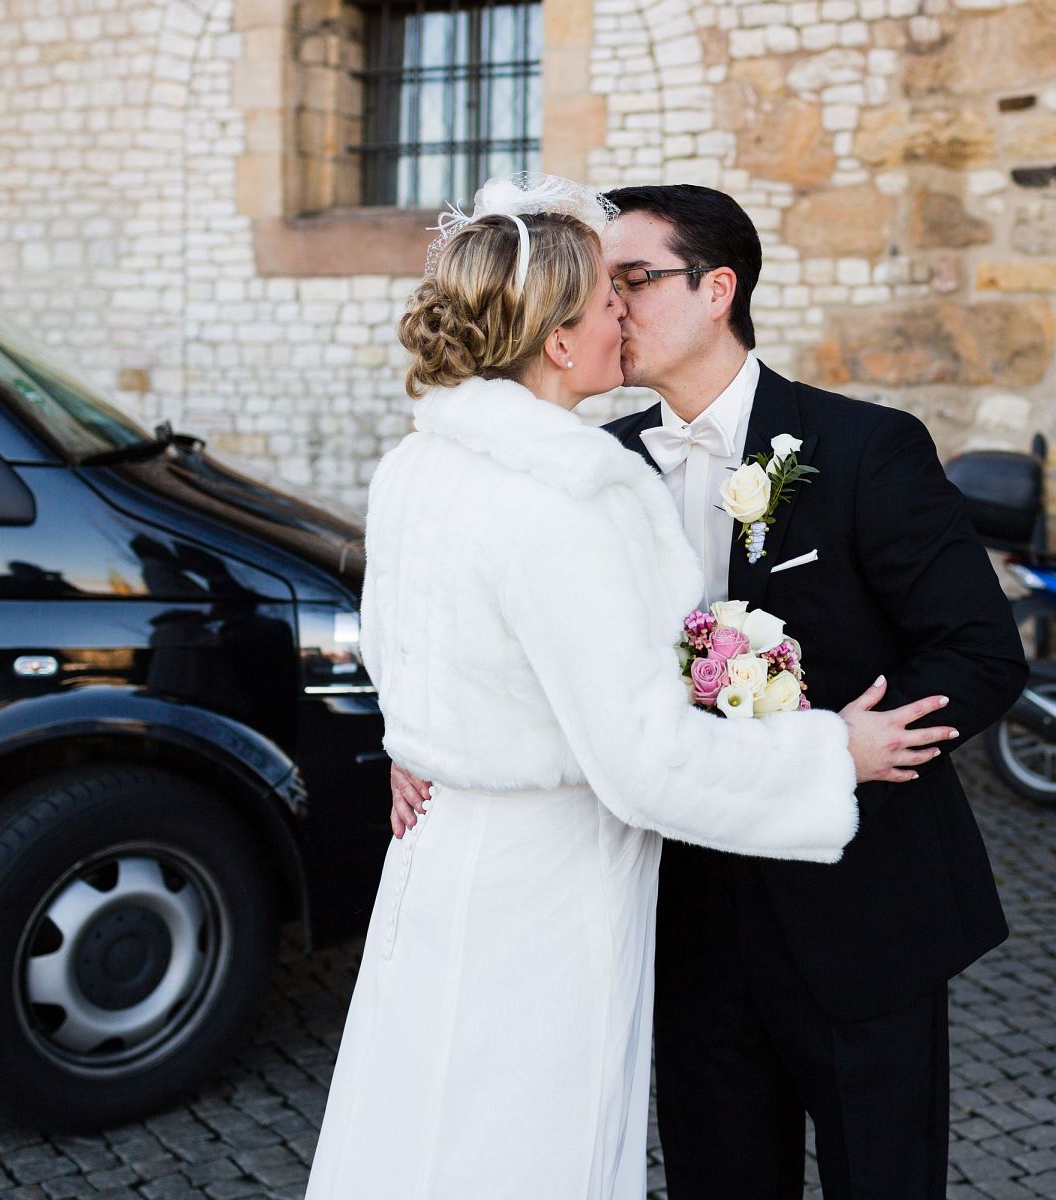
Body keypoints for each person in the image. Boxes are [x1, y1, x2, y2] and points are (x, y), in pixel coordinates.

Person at [303, 176, 956, 1200]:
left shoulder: (417, 467)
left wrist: (426, 746)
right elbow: (638, 752)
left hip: (461, 864)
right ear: (559, 341)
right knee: (523, 1143)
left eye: (635, 283)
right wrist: (828, 752)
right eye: (606, 297)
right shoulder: (577, 486)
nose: (622, 311)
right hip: (560, 875)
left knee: (431, 1125)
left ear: (718, 290)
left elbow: (412, 644)